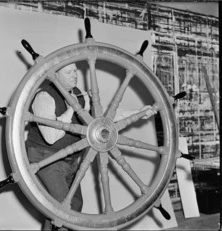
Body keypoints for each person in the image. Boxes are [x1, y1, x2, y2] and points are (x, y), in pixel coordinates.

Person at [26, 63, 156, 230]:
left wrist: (138, 113)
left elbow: (103, 119)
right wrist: (73, 110)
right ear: (55, 76)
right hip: (45, 157)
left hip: (70, 160)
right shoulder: (44, 97)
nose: (74, 75)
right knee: (65, 210)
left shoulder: (79, 94)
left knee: (74, 205)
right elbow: (51, 137)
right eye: (68, 72)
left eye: (75, 71)